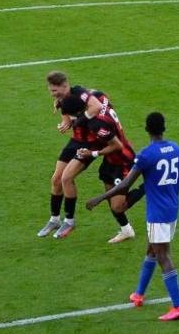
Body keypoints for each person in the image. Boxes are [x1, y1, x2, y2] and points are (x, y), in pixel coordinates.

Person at [86, 112, 179, 321]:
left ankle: (178, 306)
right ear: (163, 128)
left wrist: (101, 198)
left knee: (163, 256)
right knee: (152, 249)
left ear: (146, 129)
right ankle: (139, 294)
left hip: (157, 213)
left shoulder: (147, 155)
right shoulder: (175, 149)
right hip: (172, 209)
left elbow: (126, 185)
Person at [60, 94, 142, 244]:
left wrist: (92, 153)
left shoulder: (96, 124)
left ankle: (147, 187)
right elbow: (96, 94)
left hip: (122, 160)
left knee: (118, 206)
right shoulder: (99, 100)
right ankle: (126, 230)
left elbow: (117, 145)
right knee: (110, 197)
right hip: (110, 161)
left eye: (72, 118)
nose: (72, 121)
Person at [38, 71, 110, 239]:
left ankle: (69, 221)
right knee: (56, 179)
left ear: (65, 86)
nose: (52, 94)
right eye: (50, 91)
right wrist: (64, 125)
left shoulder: (80, 93)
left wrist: (79, 120)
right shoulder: (62, 100)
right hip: (76, 140)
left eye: (55, 91)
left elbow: (97, 106)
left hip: (91, 143)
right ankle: (54, 219)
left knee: (66, 178)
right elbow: (66, 120)